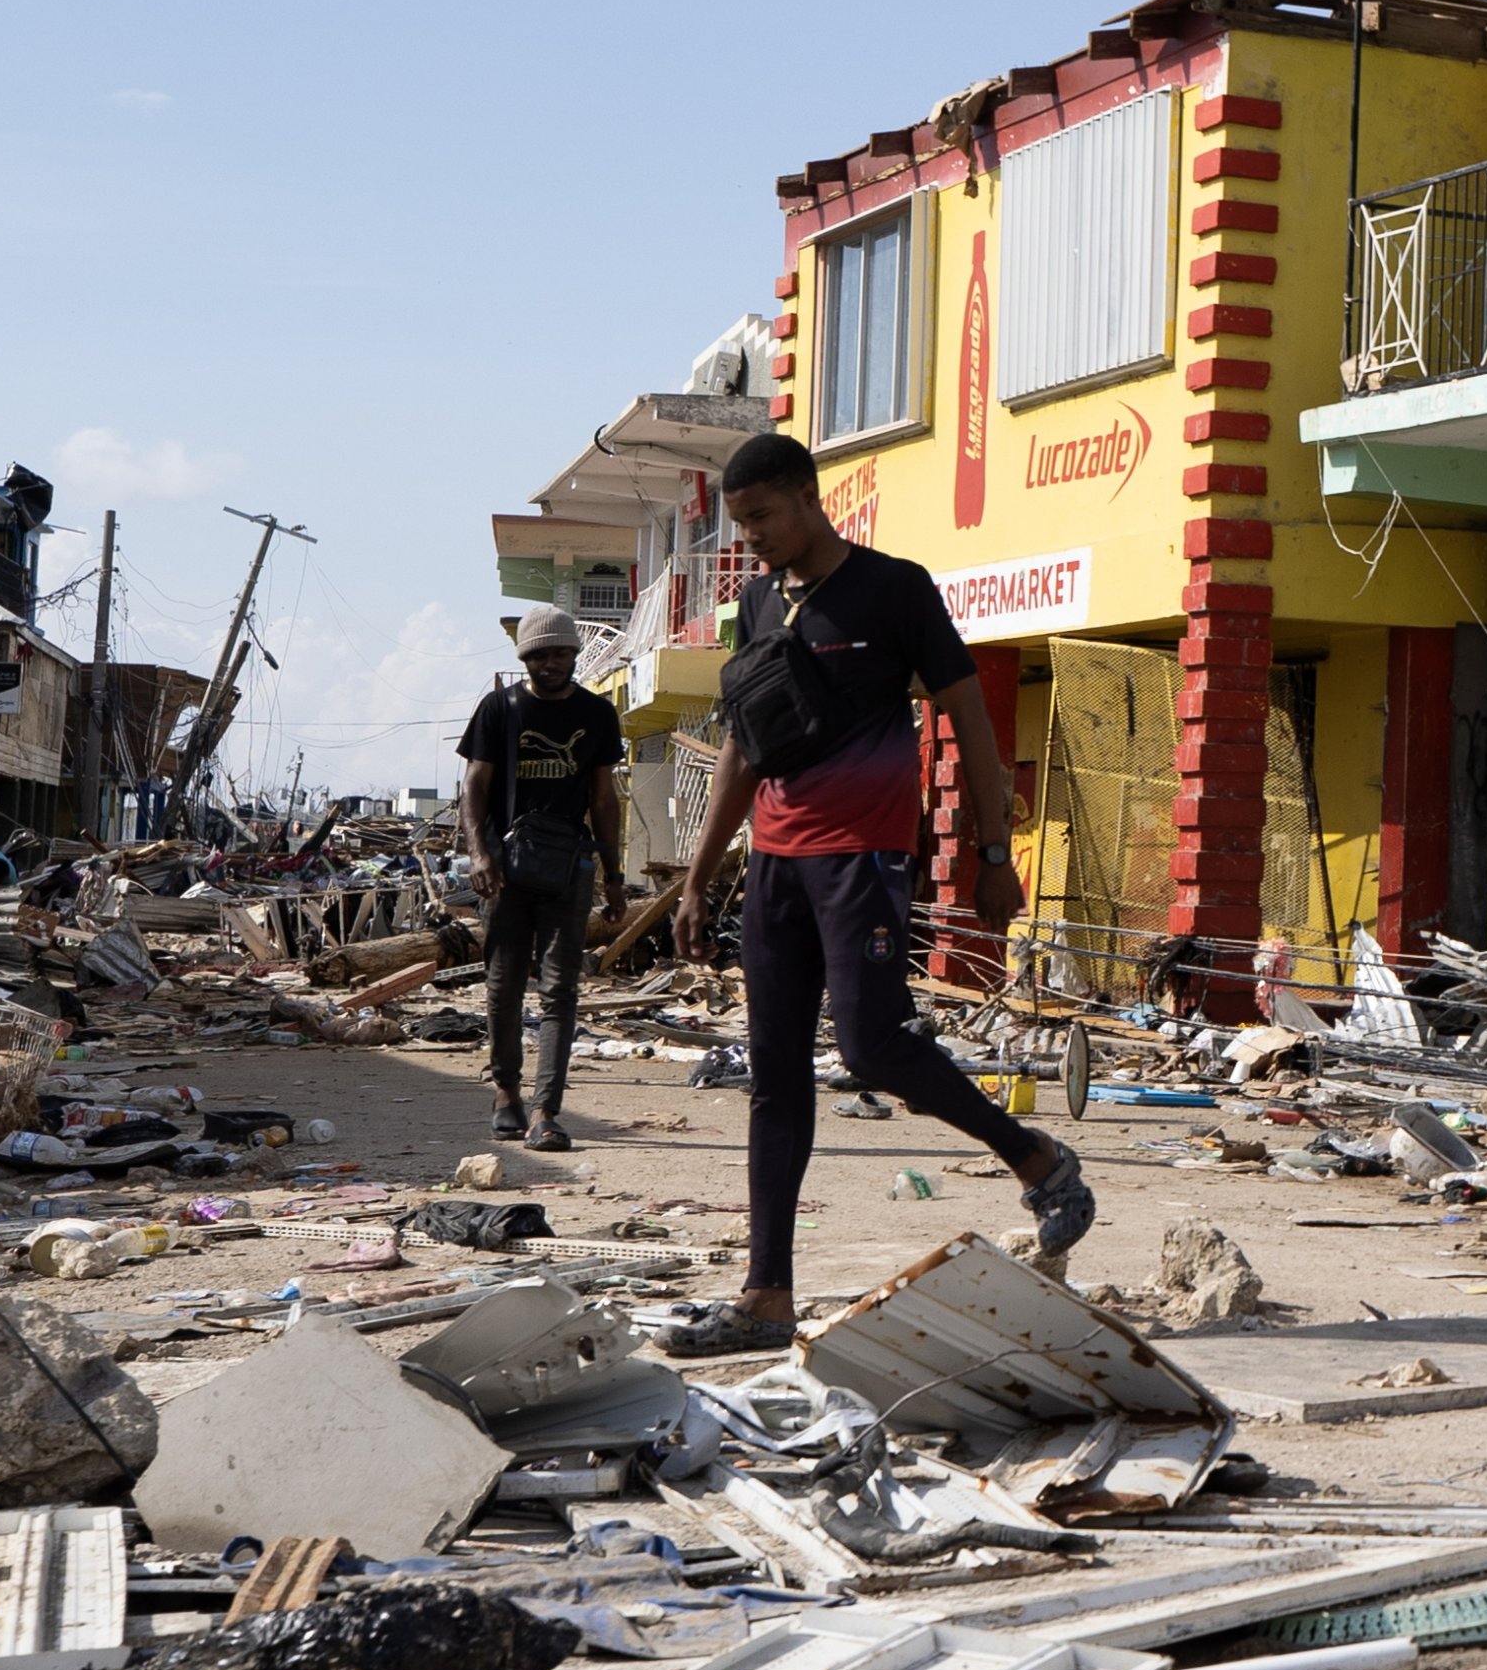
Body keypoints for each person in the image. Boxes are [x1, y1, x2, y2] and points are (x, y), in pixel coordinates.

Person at [671, 431, 1090, 1354]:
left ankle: (1039, 1158)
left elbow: (968, 712)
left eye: (763, 518)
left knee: (872, 1045)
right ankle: (765, 1295)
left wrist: (991, 850)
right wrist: (701, 876)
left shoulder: (893, 587)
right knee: (773, 1078)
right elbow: (743, 742)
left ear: (810, 498)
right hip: (777, 864)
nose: (754, 540)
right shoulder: (756, 601)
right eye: (740, 526)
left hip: (863, 856)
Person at [457, 605, 628, 1150]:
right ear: (524, 657)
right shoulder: (499, 710)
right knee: (504, 988)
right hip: (505, 870)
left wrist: (615, 873)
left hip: (569, 868)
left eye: (561, 652)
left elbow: (604, 799)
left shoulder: (598, 714)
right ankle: (506, 1091)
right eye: (540, 654)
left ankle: (545, 1111)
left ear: (575, 655)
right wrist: (479, 854)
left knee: (560, 992)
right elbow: (474, 789)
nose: (551, 663)